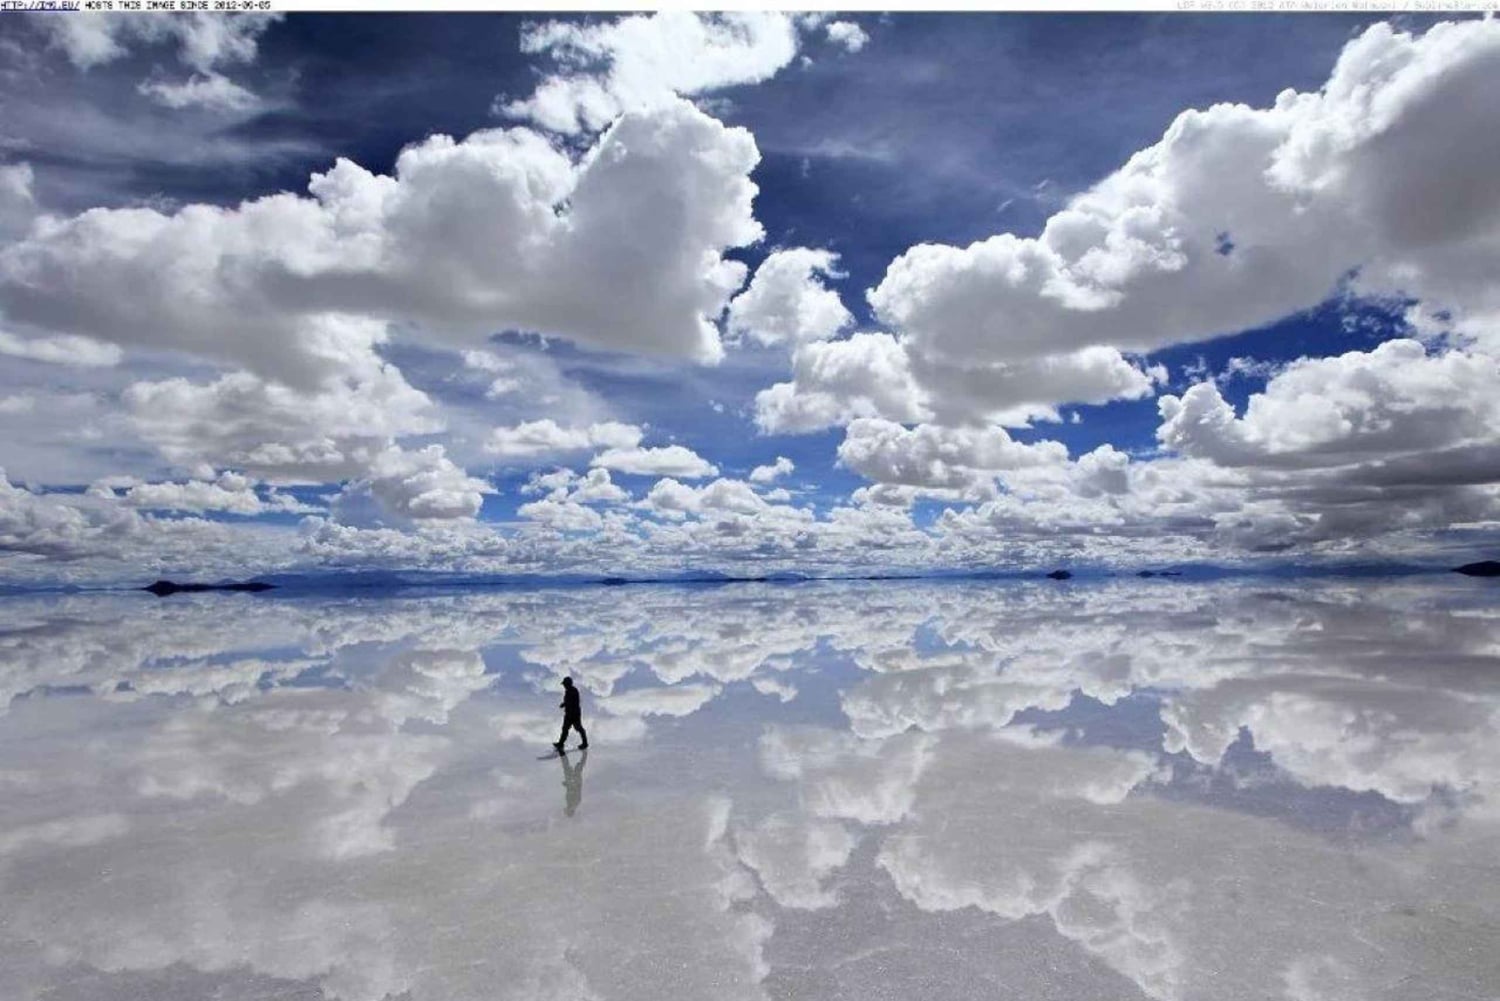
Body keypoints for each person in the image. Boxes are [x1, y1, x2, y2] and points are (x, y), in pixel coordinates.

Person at [554, 676, 588, 751]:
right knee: (565, 728)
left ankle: (585, 743)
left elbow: (573, 702)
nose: (564, 686)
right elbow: (568, 701)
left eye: (565, 684)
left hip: (574, 714)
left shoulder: (573, 691)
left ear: (568, 684)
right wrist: (564, 704)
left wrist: (565, 705)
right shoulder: (568, 691)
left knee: (579, 728)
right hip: (569, 713)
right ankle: (561, 743)